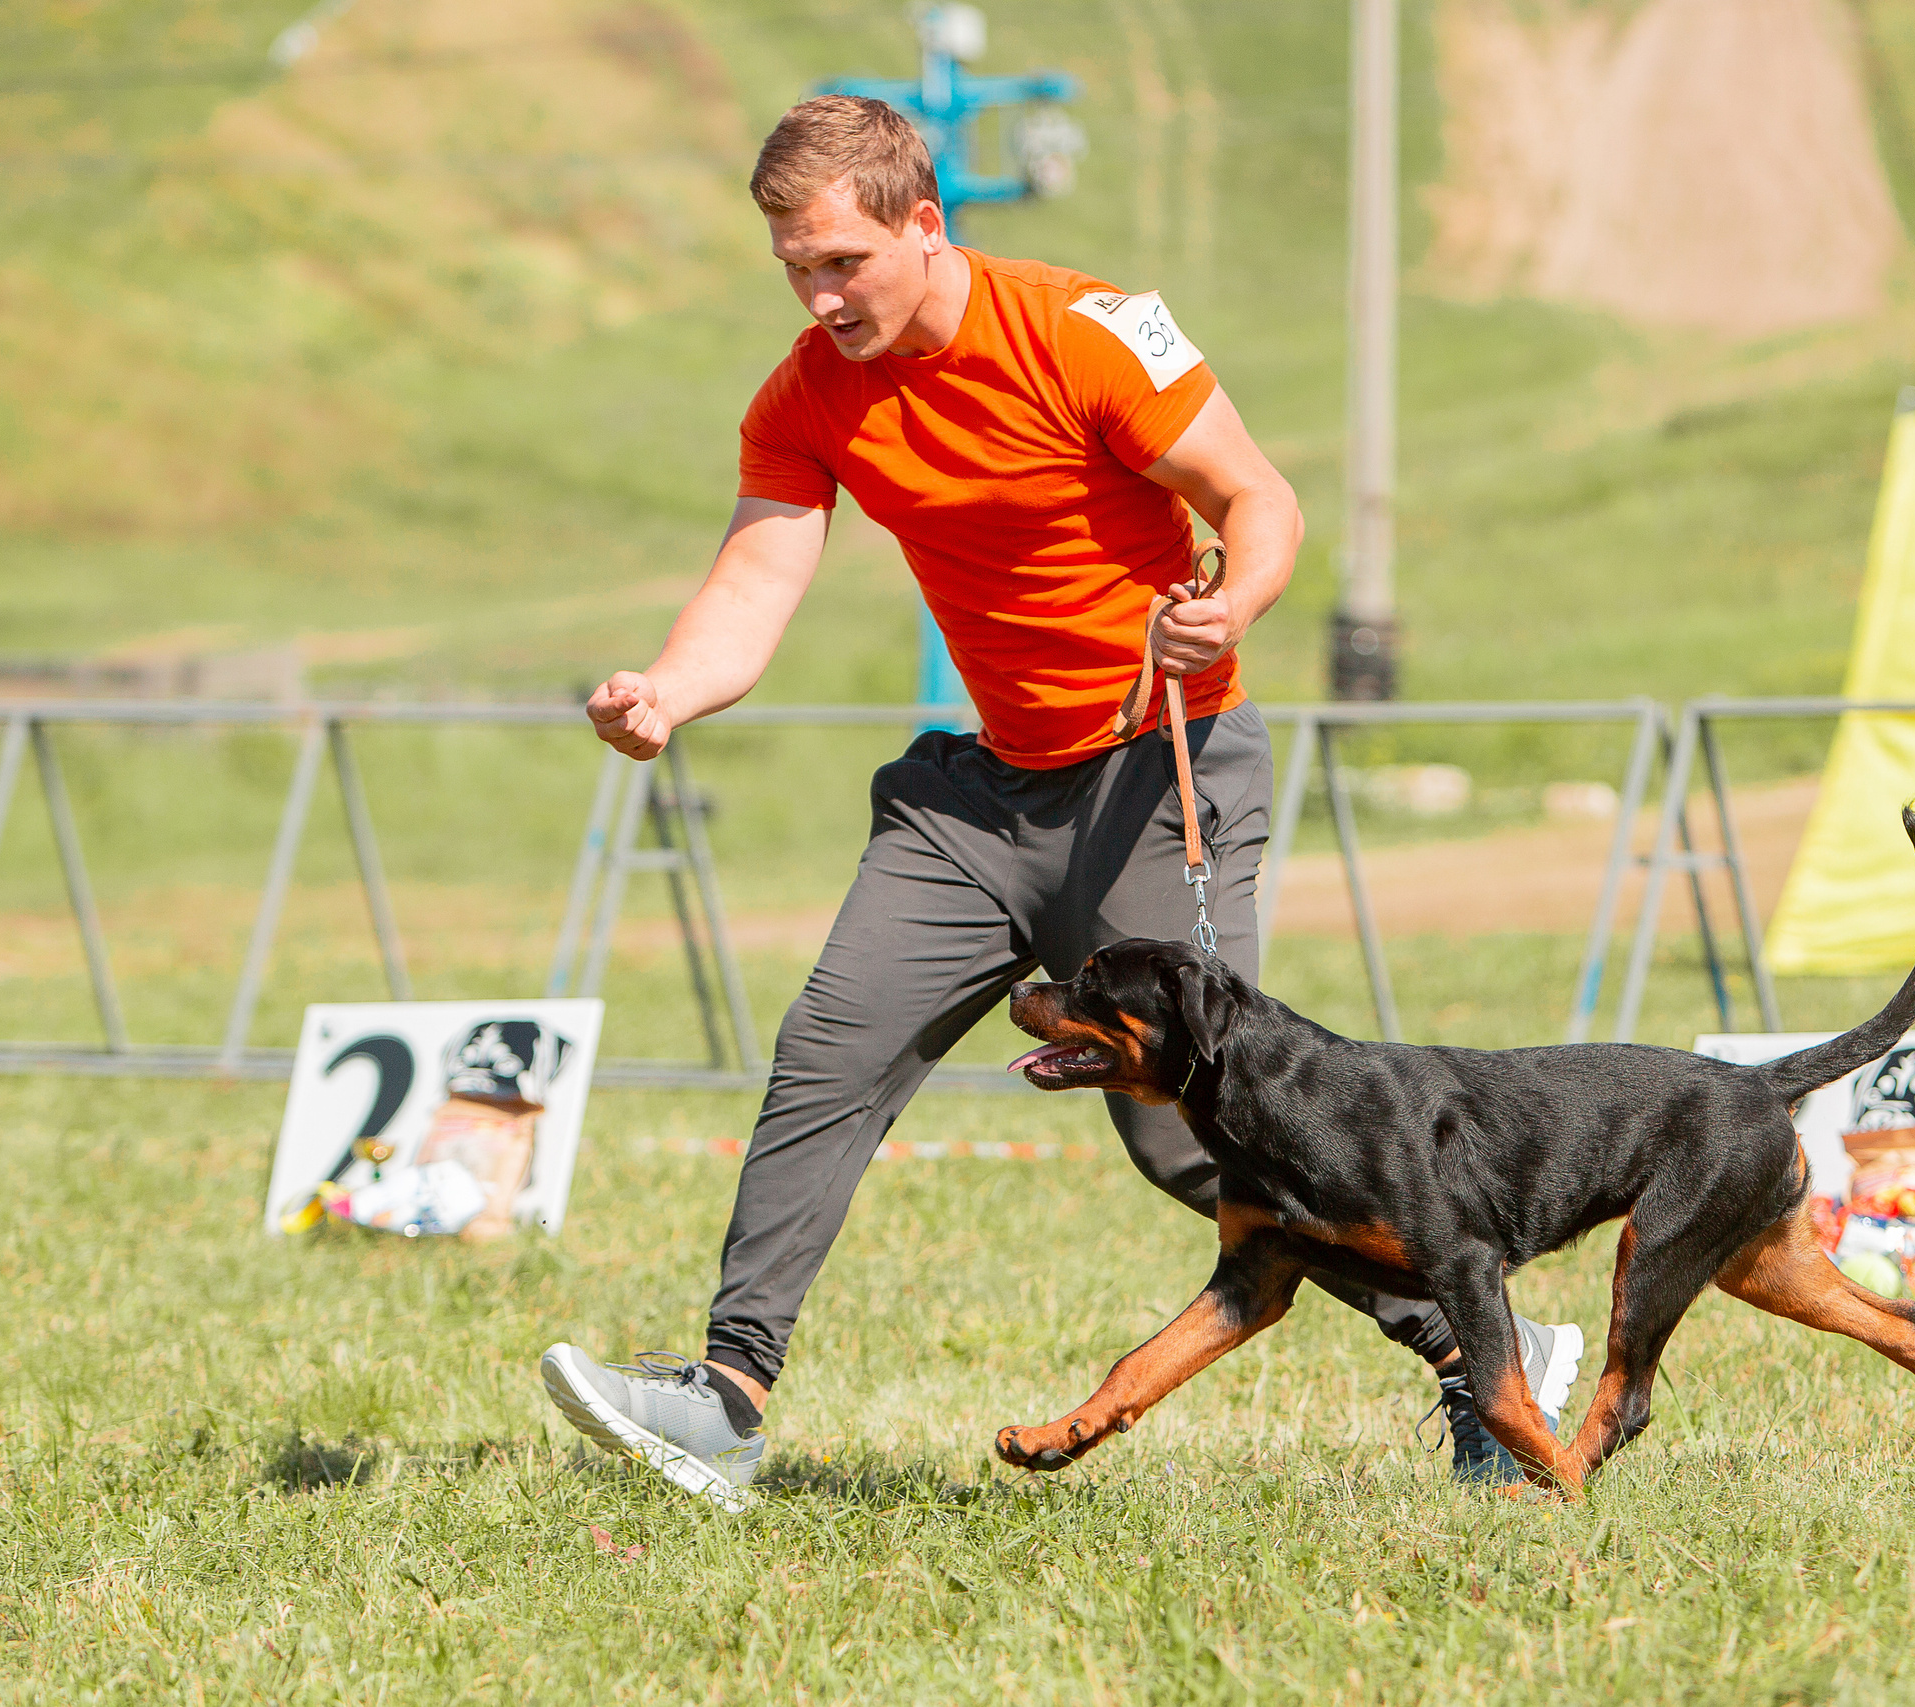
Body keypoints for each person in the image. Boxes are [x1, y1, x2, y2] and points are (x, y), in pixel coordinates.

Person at [539, 97, 1579, 1510]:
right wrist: (666, 690)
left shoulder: (1090, 329)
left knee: (1203, 1132)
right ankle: (725, 1397)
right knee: (830, 1048)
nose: (818, 293)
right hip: (977, 800)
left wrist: (1234, 604)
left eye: (842, 260)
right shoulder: (803, 396)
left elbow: (1255, 496)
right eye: (793, 266)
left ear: (926, 221)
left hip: (1158, 765)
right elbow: (760, 573)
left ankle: (1483, 1350)